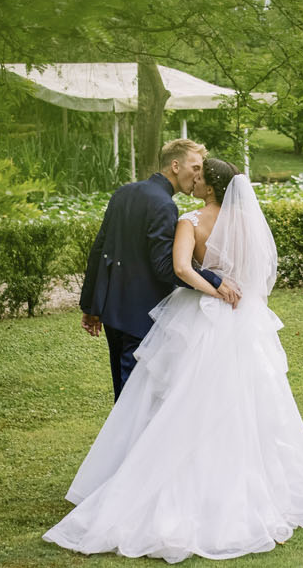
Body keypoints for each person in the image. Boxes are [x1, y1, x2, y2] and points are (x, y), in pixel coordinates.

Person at [45, 156, 303, 560]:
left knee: (182, 401)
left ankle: (164, 480)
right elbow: (256, 276)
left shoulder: (190, 221)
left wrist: (213, 289)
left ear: (212, 186)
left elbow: (181, 268)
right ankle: (242, 487)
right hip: (242, 323)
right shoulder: (246, 225)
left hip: (202, 319)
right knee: (241, 404)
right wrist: (228, 288)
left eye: (201, 178)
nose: (195, 182)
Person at [79, 138, 240, 399]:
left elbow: (98, 250)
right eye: (195, 166)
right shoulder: (165, 205)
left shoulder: (123, 192)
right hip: (142, 313)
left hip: (112, 310)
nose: (199, 174)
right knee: (136, 396)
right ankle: (132, 440)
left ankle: (124, 439)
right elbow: (167, 267)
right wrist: (214, 279)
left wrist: (91, 306)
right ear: (175, 166)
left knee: (123, 391)